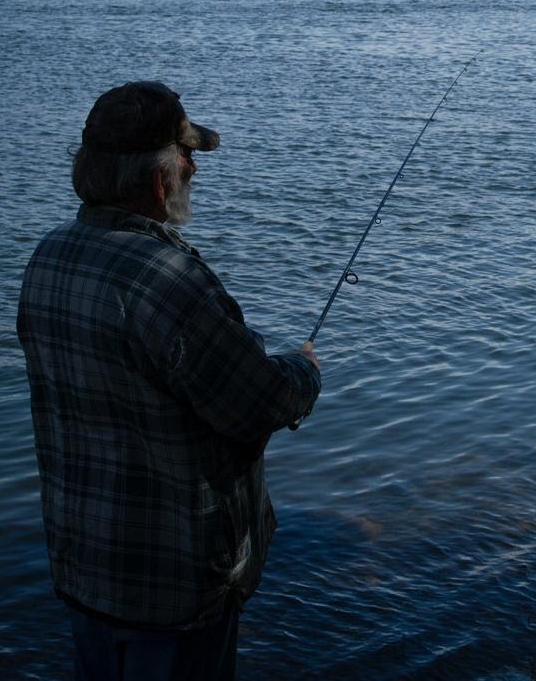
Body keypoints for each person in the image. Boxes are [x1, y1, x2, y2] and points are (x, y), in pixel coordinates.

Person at [18, 80, 321, 681]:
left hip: (84, 568)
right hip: (174, 587)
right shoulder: (169, 278)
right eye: (187, 159)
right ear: (159, 180)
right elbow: (260, 402)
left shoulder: (48, 257)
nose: (194, 172)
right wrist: (303, 369)